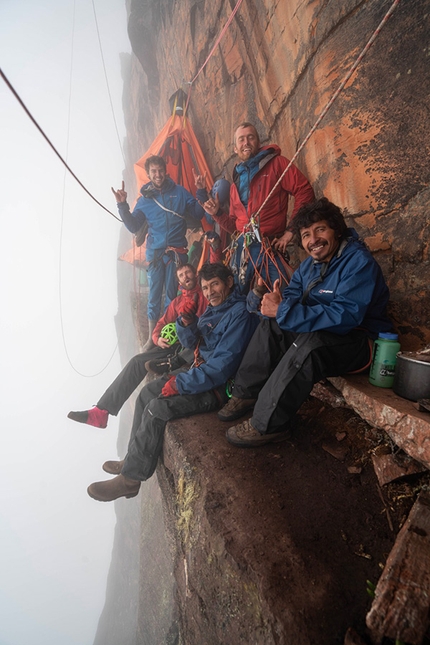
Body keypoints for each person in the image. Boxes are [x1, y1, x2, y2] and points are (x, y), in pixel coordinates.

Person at [217, 197, 394, 447]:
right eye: (306, 234)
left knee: (310, 346)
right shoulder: (310, 265)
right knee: (272, 325)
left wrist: (284, 311)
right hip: (325, 331)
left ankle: (267, 424)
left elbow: (345, 316)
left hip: (362, 342)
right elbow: (292, 294)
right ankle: (245, 394)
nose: (313, 240)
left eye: (320, 230)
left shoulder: (358, 262)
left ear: (337, 230)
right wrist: (280, 303)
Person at [86, 263, 259, 502]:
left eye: (215, 285)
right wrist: (185, 324)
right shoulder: (213, 309)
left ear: (229, 282)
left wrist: (180, 383)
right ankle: (131, 458)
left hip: (218, 388)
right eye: (206, 287)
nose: (209, 292)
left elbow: (222, 368)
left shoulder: (239, 315)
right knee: (147, 393)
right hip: (198, 372)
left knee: (157, 408)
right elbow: (192, 344)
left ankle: (130, 480)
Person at [67, 263, 207, 429]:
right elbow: (160, 326)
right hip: (174, 346)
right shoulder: (176, 303)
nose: (186, 276)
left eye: (187, 272)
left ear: (195, 274)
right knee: (136, 362)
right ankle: (101, 412)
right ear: (179, 282)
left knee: (147, 392)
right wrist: (157, 339)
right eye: (181, 275)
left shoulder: (205, 292)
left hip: (195, 345)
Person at [201, 122, 315, 294]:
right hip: (242, 253)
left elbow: (304, 191)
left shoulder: (277, 164)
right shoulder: (235, 185)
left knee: (282, 295)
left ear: (258, 142)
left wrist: (291, 231)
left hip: (268, 247)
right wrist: (217, 213)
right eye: (241, 139)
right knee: (243, 301)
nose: (246, 142)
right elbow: (235, 226)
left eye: (250, 137)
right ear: (235, 148)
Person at [112, 155, 207, 350]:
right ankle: (151, 338)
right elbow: (133, 225)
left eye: (160, 170)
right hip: (155, 255)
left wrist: (201, 190)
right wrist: (122, 205)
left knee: (172, 296)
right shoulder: (145, 201)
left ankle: (170, 335)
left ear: (165, 171)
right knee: (154, 296)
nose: (157, 174)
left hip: (176, 253)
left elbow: (198, 213)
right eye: (153, 171)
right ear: (148, 175)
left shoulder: (180, 193)